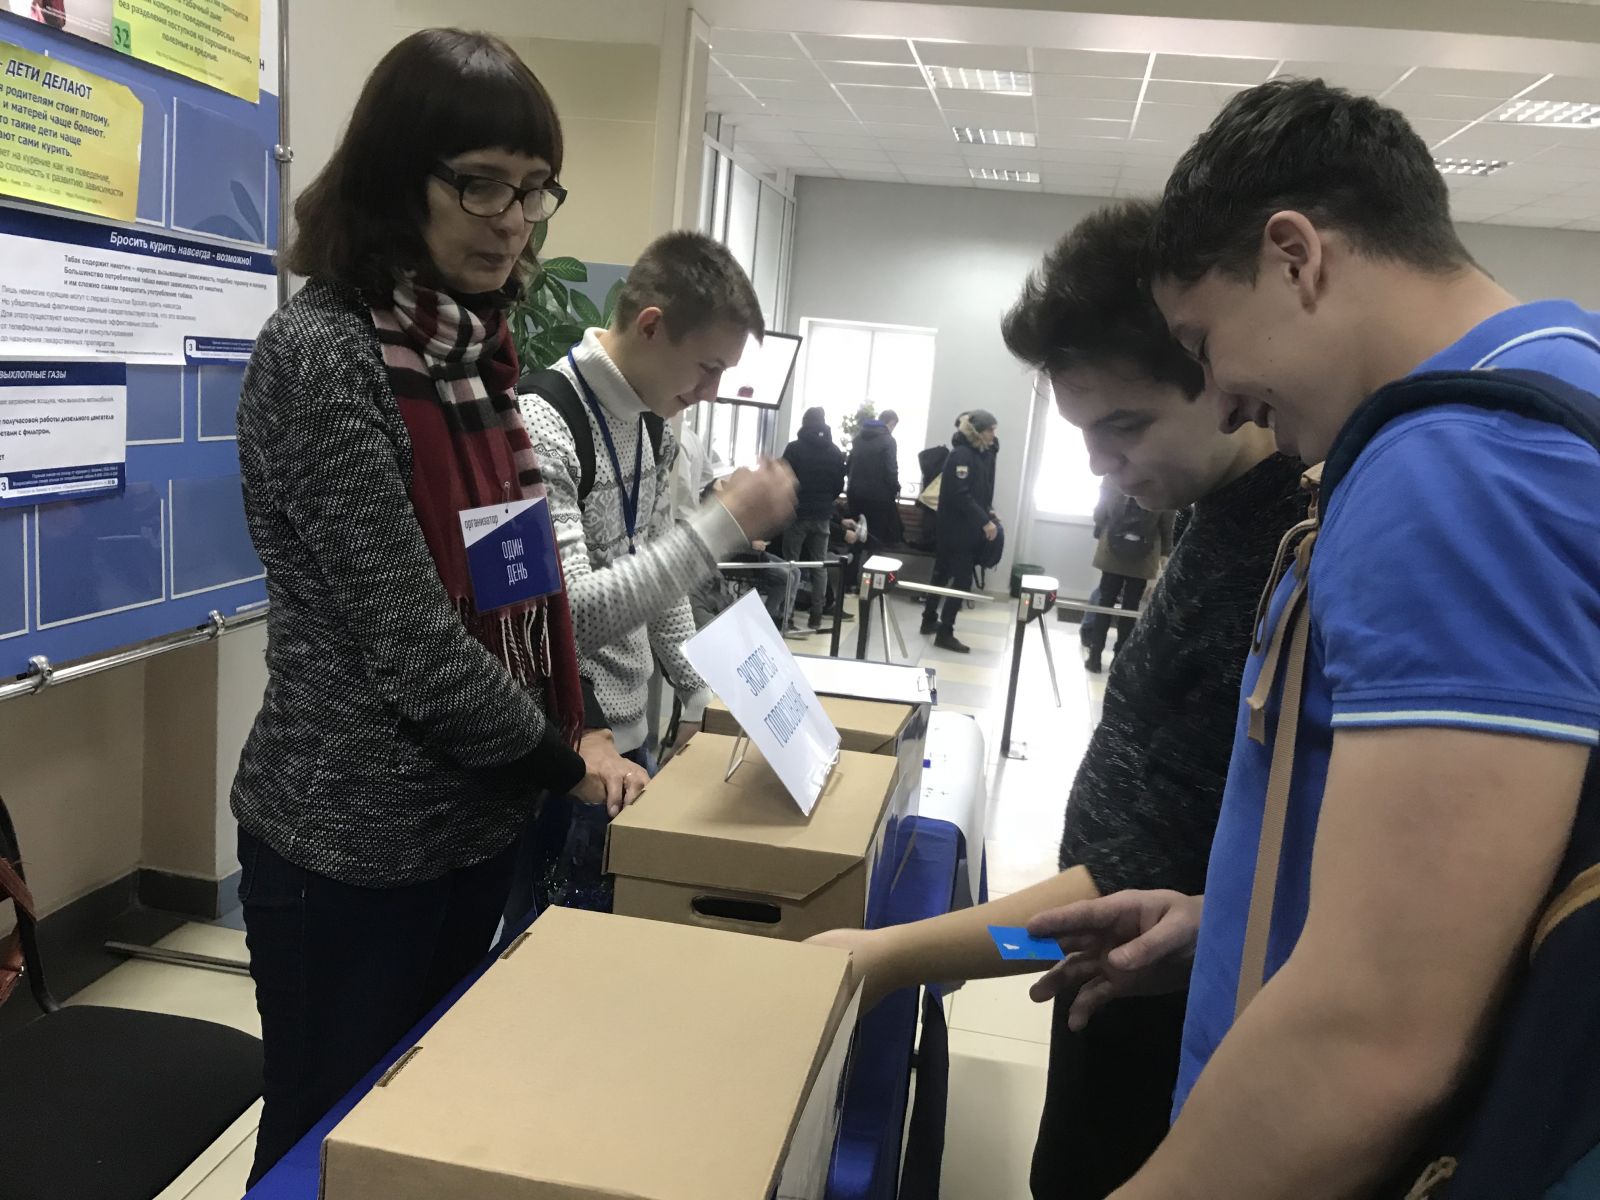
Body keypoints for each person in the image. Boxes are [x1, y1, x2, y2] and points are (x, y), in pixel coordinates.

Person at [1030, 79, 1600, 1199]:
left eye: (1203, 341)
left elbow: (1376, 1033)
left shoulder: (1453, 467)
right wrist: (1236, 920)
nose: (1224, 397)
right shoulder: (1559, 367)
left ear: (1295, 257)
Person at [812, 199, 1303, 1199]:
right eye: (1084, 432)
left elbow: (1119, 886)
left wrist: (881, 958)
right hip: (1107, 992)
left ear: (1221, 369)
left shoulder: (1280, 552)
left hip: (1168, 1023)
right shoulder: (1215, 510)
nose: (1101, 464)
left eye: (1125, 426)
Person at [230, 30, 644, 1183]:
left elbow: (519, 582)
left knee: (424, 1133)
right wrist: (560, 760)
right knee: (324, 1147)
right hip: (348, 846)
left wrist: (574, 725)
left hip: (474, 824)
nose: (511, 219)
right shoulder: (323, 355)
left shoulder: (474, 358)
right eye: (479, 183)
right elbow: (412, 644)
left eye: (533, 187)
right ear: (392, 177)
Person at [508, 231, 796, 917]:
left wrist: (698, 695)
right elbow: (566, 615)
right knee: (546, 947)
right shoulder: (542, 423)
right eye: (707, 367)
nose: (710, 392)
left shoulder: (652, 423)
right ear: (650, 326)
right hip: (569, 754)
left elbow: (657, 574)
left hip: (630, 745)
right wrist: (722, 524)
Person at [919, 410, 999, 653]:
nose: (993, 435)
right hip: (957, 530)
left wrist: (989, 512)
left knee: (941, 574)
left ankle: (928, 619)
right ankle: (945, 632)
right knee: (962, 580)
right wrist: (984, 521)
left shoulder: (977, 455)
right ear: (977, 431)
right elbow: (960, 494)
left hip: (959, 527)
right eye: (990, 430)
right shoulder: (962, 455)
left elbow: (978, 491)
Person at [1086, 478, 1175, 674]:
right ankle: (1119, 660)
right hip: (1144, 553)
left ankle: (1094, 658)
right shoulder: (1161, 478)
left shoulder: (1114, 476)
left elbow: (1100, 512)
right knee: (1130, 608)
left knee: (1104, 603)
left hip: (1111, 549)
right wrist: (1165, 552)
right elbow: (1167, 521)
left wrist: (1100, 527)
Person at [781, 406, 848, 635]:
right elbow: (838, 485)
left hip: (797, 514)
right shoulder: (835, 452)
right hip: (822, 516)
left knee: (791, 565)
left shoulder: (794, 449)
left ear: (804, 422)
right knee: (820, 566)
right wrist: (825, 501)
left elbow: (783, 479)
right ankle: (816, 616)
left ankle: (788, 615)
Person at [847, 407, 903, 550]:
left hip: (855, 495)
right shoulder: (889, 441)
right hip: (879, 498)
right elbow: (891, 469)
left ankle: (852, 564)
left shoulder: (858, 438)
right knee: (875, 538)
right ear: (890, 423)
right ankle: (872, 564)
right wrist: (895, 488)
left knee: (855, 536)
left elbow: (849, 464)